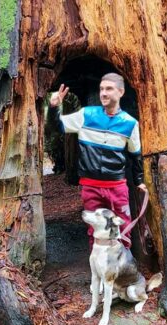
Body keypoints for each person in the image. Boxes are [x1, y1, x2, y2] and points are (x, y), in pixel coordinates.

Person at [49, 73, 147, 248]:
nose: (103, 93)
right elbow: (58, 126)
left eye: (109, 89)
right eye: (101, 89)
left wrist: (139, 181)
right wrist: (53, 107)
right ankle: (99, 271)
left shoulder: (129, 123)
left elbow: (135, 154)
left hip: (117, 187)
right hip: (91, 186)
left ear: (121, 92)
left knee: (123, 229)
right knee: (95, 232)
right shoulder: (86, 115)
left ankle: (122, 270)